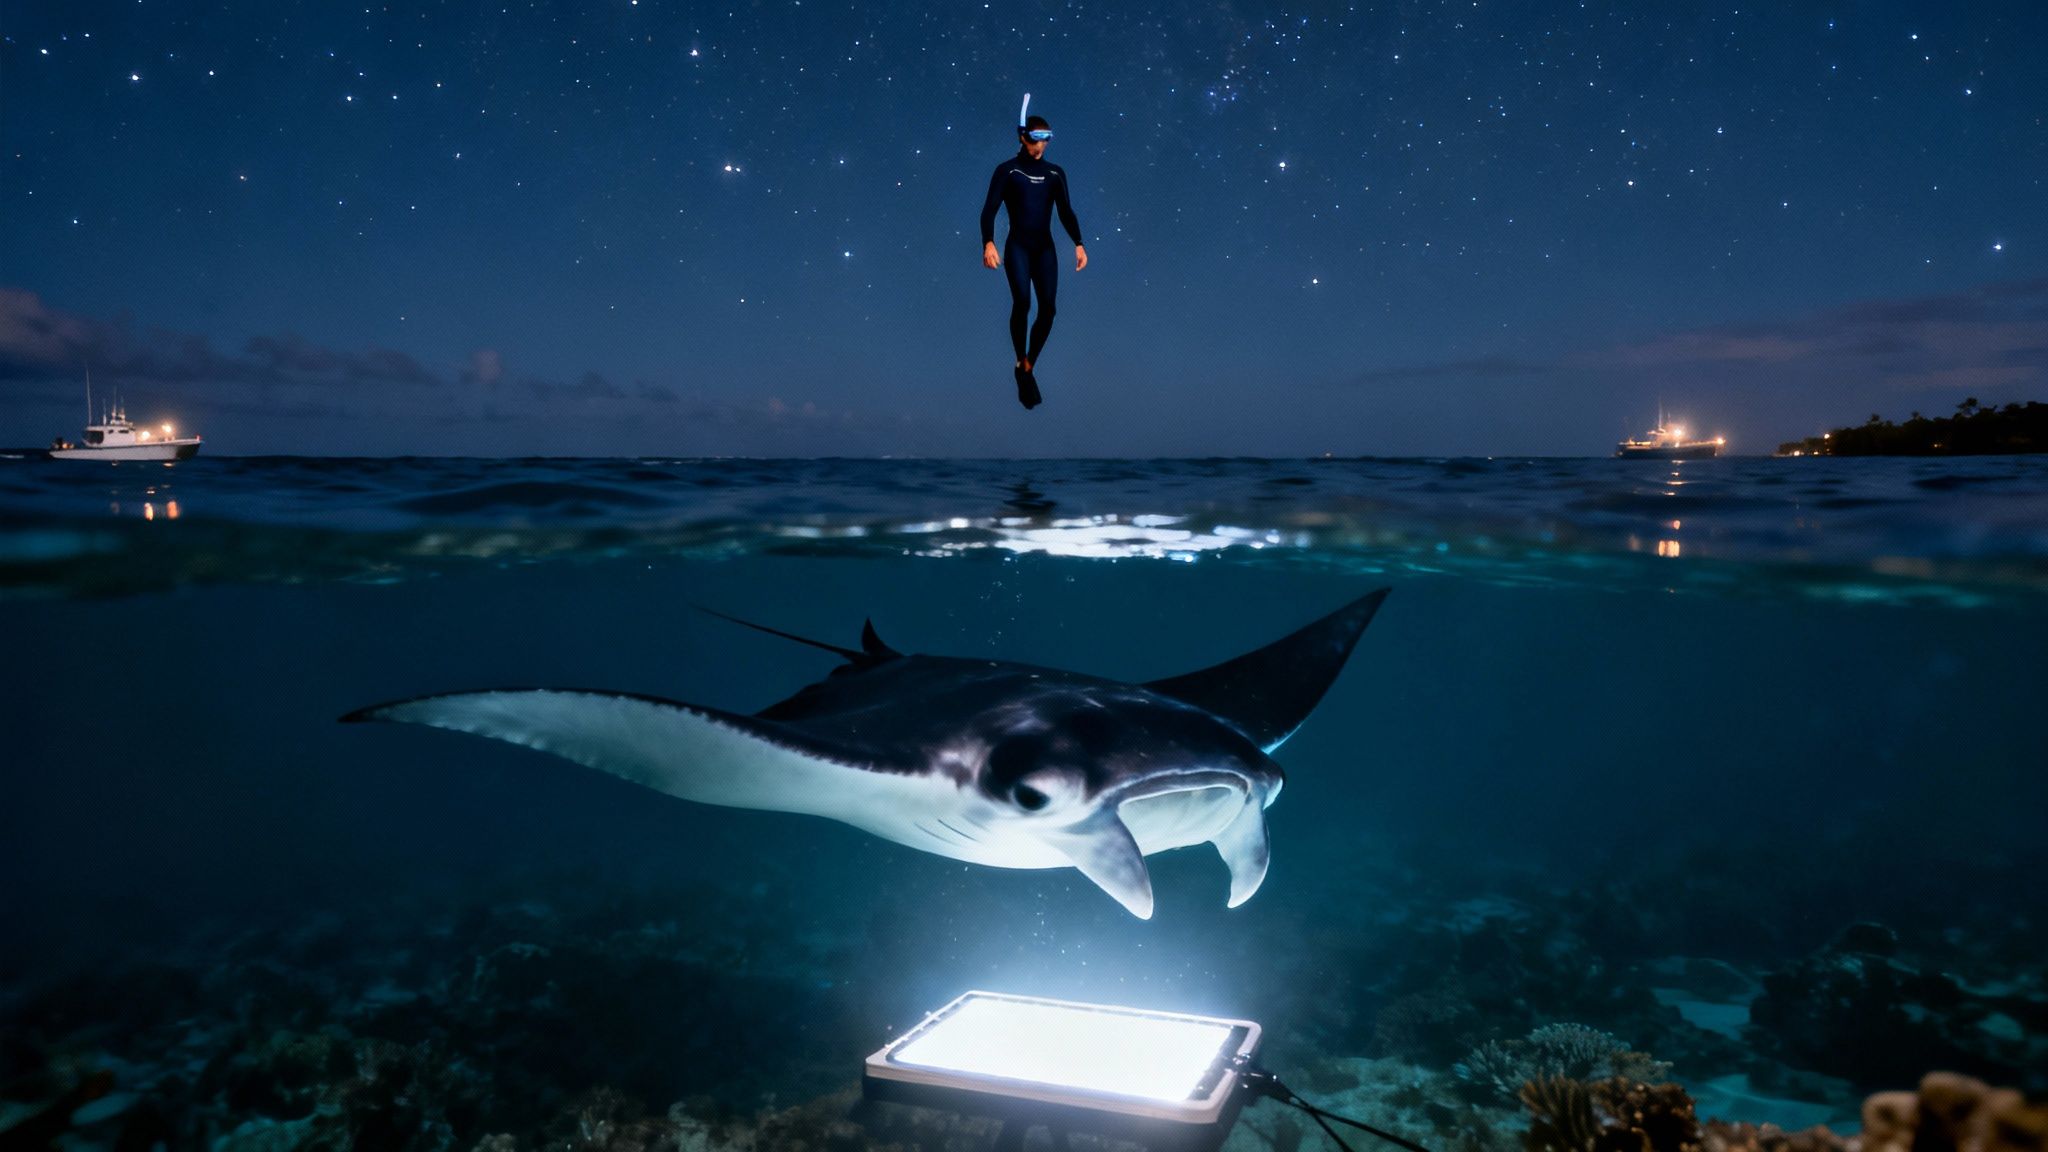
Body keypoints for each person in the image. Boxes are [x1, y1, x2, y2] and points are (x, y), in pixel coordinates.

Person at [980, 111, 1086, 409]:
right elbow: (989, 209)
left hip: (1044, 248)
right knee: (1023, 302)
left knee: (1049, 308)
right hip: (1018, 247)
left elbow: (1066, 211)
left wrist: (1079, 243)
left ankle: (1027, 367)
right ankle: (1019, 360)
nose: (1041, 146)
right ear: (1022, 137)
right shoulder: (1008, 171)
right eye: (1036, 139)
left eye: (1047, 139)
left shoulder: (1055, 173)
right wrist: (988, 241)